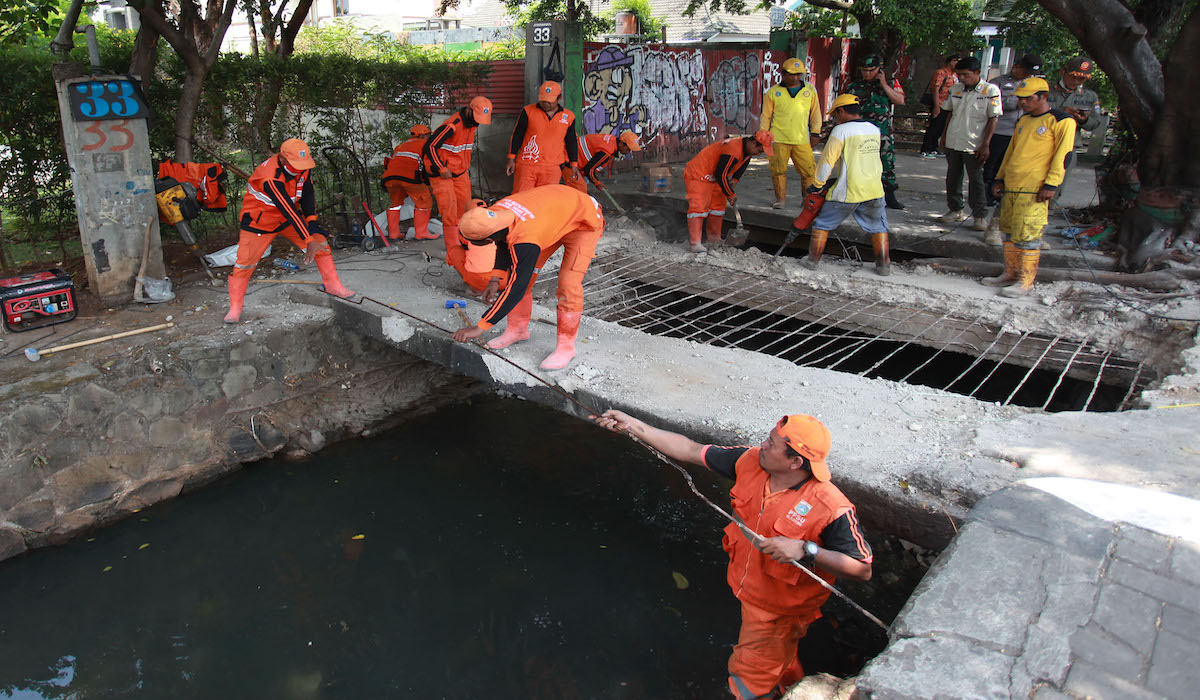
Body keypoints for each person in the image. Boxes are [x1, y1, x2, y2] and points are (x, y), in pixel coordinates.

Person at [591, 410, 872, 700]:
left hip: (778, 610)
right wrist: (635, 427)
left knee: (747, 677)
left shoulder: (830, 507)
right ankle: (788, 684)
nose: (763, 444)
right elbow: (690, 449)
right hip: (749, 587)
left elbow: (862, 569)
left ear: (795, 461)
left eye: (771, 444)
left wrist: (806, 549)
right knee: (777, 653)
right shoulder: (750, 461)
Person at [451, 185, 604, 370]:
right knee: (526, 276)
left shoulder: (525, 240)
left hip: (583, 221)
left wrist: (479, 328)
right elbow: (502, 242)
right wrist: (495, 279)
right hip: (552, 219)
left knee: (568, 283)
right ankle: (518, 330)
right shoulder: (494, 213)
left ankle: (566, 347)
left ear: (488, 236)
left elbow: (517, 287)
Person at [224, 138, 353, 324]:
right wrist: (308, 240)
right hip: (259, 222)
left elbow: (308, 194)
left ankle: (334, 286)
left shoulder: (303, 167)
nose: (301, 169)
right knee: (245, 264)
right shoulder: (270, 177)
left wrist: (312, 222)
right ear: (283, 159)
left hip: (285, 218)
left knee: (321, 244)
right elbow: (289, 210)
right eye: (296, 165)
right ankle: (235, 309)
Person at [986, 77, 1076, 297]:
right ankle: (1010, 272)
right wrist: (1000, 178)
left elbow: (1063, 156)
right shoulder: (1024, 120)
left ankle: (1026, 281)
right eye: (1020, 98)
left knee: (1029, 234)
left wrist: (1051, 184)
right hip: (1013, 185)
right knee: (1008, 231)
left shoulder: (1061, 121)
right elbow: (1011, 152)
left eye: (1028, 98)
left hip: (1034, 188)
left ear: (1043, 97)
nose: (1022, 102)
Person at [801, 94, 893, 276]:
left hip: (848, 190)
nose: (834, 119)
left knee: (822, 223)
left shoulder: (840, 131)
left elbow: (827, 162)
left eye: (835, 115)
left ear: (842, 111)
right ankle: (883, 265)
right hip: (874, 189)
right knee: (879, 226)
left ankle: (812, 261)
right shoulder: (873, 129)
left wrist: (817, 185)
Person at [423, 96, 493, 290]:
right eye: (477, 118)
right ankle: (452, 253)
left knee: (466, 208)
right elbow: (429, 146)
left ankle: (465, 246)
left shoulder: (473, 124)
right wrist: (440, 168)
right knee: (449, 210)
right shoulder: (452, 124)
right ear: (470, 110)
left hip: (459, 172)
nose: (479, 122)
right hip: (442, 173)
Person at [983, 53, 1042, 245]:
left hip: (1025, 143)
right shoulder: (998, 82)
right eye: (1024, 71)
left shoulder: (1049, 114)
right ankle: (989, 210)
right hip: (1002, 131)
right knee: (992, 169)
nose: (1024, 102)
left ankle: (1029, 231)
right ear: (1016, 66)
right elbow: (993, 106)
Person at [937, 56, 1001, 232]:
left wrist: (986, 144)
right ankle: (955, 209)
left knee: (976, 180)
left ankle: (979, 215)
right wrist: (943, 136)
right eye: (959, 75)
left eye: (966, 75)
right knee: (952, 177)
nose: (962, 79)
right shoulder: (956, 89)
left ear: (977, 72)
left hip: (974, 143)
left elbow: (993, 118)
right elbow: (949, 113)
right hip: (953, 140)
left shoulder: (990, 90)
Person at [682, 131, 773, 253]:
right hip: (699, 175)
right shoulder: (733, 150)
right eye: (760, 150)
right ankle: (695, 243)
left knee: (718, 207)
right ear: (752, 143)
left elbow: (744, 162)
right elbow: (721, 174)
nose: (759, 153)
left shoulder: (747, 150)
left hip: (714, 177)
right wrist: (730, 194)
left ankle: (714, 239)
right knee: (698, 207)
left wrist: (735, 179)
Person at [844, 54, 907, 210]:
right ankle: (859, 195)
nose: (867, 73)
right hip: (860, 132)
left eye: (871, 70)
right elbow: (844, 107)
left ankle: (889, 195)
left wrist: (884, 84)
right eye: (864, 70)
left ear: (880, 69)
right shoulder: (854, 86)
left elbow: (900, 100)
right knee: (858, 163)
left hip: (882, 132)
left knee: (887, 163)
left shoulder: (890, 83)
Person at [760, 57, 823, 210]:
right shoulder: (773, 92)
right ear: (783, 74)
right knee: (778, 171)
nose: (795, 78)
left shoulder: (810, 90)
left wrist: (815, 133)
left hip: (801, 139)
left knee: (809, 171)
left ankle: (806, 199)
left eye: (798, 74)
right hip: (778, 138)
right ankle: (780, 200)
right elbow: (766, 115)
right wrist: (763, 135)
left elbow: (815, 114)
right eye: (791, 74)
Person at [506, 81, 581, 194]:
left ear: (559, 98)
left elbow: (571, 142)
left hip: (552, 167)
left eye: (549, 101)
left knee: (546, 200)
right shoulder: (528, 111)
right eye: (543, 100)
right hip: (527, 165)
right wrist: (511, 157)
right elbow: (518, 135)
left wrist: (573, 164)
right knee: (521, 199)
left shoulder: (569, 117)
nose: (545, 104)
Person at [1047, 57, 1101, 196]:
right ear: (1063, 72)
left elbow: (1095, 123)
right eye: (1073, 77)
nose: (1076, 82)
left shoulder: (1089, 97)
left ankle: (1049, 212)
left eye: (1082, 79)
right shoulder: (1046, 89)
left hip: (1069, 146)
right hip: (1043, 141)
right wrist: (1061, 111)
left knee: (1056, 187)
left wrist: (1083, 120)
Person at [381, 124, 438, 240]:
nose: (429, 138)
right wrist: (428, 184)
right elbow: (427, 166)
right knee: (424, 202)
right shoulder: (425, 145)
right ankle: (421, 233)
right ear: (422, 135)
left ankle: (393, 233)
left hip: (390, 178)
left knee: (395, 204)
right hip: (409, 177)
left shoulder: (401, 146)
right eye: (427, 135)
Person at [563, 130, 641, 193]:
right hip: (569, 162)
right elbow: (589, 170)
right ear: (621, 143)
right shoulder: (606, 151)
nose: (628, 152)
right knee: (581, 191)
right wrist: (597, 183)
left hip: (571, 157)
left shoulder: (612, 139)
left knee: (577, 190)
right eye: (628, 149)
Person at [919, 54, 960, 158]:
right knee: (934, 127)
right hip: (940, 103)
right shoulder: (941, 73)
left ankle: (934, 148)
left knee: (941, 127)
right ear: (951, 61)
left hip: (949, 104)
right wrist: (937, 106)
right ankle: (926, 149)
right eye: (957, 61)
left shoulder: (956, 74)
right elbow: (935, 90)